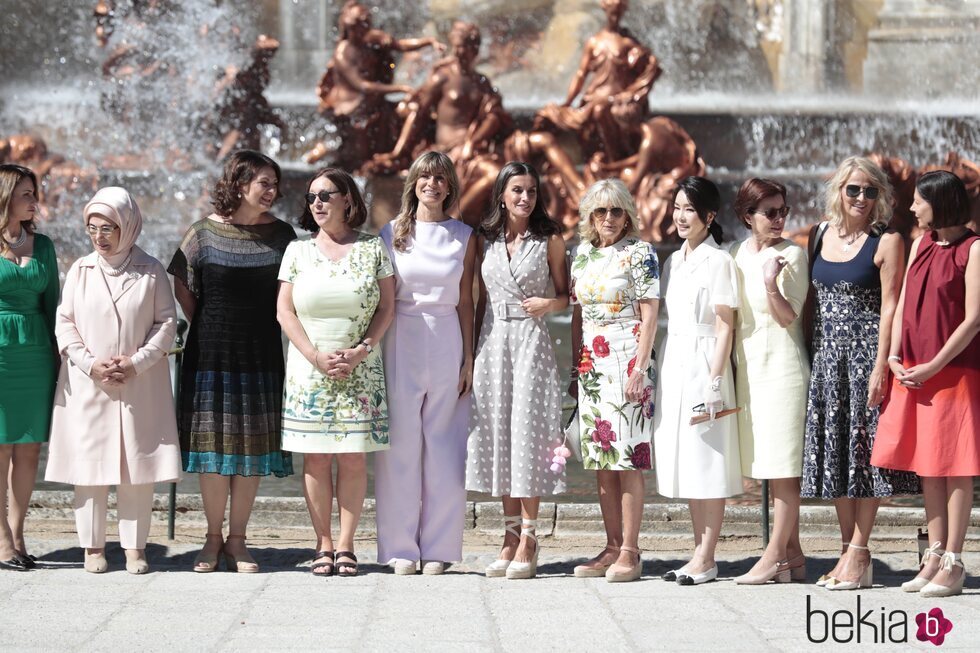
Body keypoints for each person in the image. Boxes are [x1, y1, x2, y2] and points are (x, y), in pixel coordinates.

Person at [168, 150, 297, 573]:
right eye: (264, 182)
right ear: (240, 184)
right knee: (212, 449)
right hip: (210, 354)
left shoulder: (282, 236)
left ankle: (238, 540)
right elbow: (183, 285)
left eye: (274, 184)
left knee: (252, 449)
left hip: (261, 353)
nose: (272, 191)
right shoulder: (201, 234)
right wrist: (209, 322)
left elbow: (292, 293)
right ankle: (211, 539)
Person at [45, 187, 181, 574]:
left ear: (128, 225)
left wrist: (137, 362)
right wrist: (90, 364)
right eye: (92, 228)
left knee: (136, 469)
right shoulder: (81, 270)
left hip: (139, 382)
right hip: (90, 383)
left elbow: (166, 323)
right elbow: (65, 322)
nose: (100, 237)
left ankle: (135, 548)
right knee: (89, 468)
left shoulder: (151, 269)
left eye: (108, 228)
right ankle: (92, 547)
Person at [800, 156, 918, 591]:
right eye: (854, 190)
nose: (862, 198)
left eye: (870, 191)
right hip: (827, 359)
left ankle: (860, 551)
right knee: (836, 456)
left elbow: (892, 306)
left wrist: (881, 365)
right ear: (839, 191)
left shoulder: (887, 240)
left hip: (866, 356)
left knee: (865, 459)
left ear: (881, 195)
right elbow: (812, 303)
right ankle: (848, 551)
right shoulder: (818, 234)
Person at [276, 168, 395, 577]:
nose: (318, 203)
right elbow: (283, 311)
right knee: (315, 459)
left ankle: (346, 545)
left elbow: (387, 308)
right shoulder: (296, 251)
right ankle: (322, 543)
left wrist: (362, 350)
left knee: (353, 459)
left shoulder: (373, 248)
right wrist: (312, 354)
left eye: (326, 195)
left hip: (360, 367)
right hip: (310, 369)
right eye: (312, 198)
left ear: (348, 198)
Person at [872, 170, 980, 598]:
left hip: (953, 372)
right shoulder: (920, 243)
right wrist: (895, 355)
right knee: (930, 467)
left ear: (942, 202)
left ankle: (954, 560)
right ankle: (934, 554)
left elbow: (974, 319)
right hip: (915, 371)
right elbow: (899, 306)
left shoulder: (974, 250)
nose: (911, 207)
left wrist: (934, 364)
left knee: (957, 468)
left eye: (919, 200)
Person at [375, 151, 477, 575]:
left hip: (447, 335)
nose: (431, 185)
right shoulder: (390, 233)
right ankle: (400, 547)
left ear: (449, 186)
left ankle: (439, 547)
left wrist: (468, 357)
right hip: (402, 335)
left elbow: (468, 300)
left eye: (439, 179)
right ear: (413, 183)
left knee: (444, 446)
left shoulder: (465, 235)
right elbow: (381, 298)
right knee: (400, 446)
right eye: (424, 178)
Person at [465, 162, 568, 579]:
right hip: (491, 343)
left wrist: (549, 304)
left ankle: (529, 536)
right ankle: (507, 536)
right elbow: (475, 301)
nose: (525, 198)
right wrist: (469, 356)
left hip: (530, 339)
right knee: (498, 438)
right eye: (517, 191)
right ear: (502, 195)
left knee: (528, 435)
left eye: (531, 191)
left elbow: (566, 296)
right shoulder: (483, 238)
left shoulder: (550, 239)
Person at [569, 178, 658, 583]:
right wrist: (576, 367)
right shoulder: (582, 255)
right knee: (601, 457)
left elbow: (651, 313)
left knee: (628, 457)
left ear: (628, 215)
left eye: (616, 211)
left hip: (627, 355)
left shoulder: (641, 253)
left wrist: (640, 369)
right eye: (601, 211)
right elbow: (577, 314)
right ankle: (610, 544)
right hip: (592, 362)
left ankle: (631, 550)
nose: (609, 218)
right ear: (590, 216)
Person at [654, 176, 740, 586]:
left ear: (708, 215)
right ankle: (697, 552)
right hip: (676, 361)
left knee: (709, 457)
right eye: (677, 208)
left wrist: (715, 380)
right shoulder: (674, 261)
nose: (681, 216)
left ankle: (708, 556)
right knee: (687, 458)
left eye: (690, 209)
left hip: (706, 361)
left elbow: (726, 326)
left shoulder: (719, 261)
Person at [729, 178, 809, 584]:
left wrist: (769, 283)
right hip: (750, 371)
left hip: (784, 371)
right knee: (767, 465)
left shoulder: (793, 254)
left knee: (783, 468)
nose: (779, 219)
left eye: (783, 211)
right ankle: (793, 554)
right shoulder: (735, 253)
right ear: (748, 216)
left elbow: (789, 317)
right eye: (770, 212)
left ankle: (774, 555)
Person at [0, 164, 58, 571]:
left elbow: (53, 304)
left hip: (36, 351)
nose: (33, 201)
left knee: (29, 448)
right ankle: (1, 537)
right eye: (25, 193)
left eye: (33, 193)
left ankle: (18, 534)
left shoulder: (45, 246)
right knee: (0, 446)